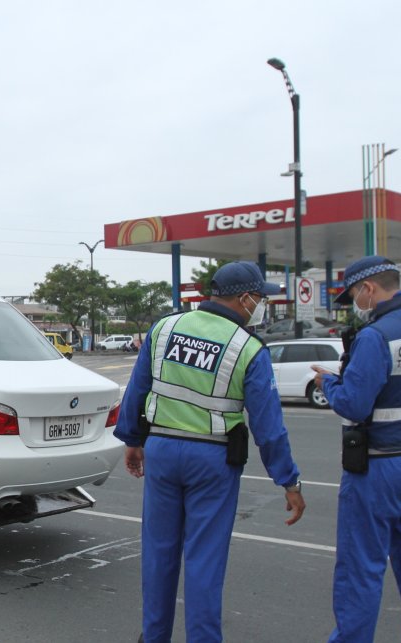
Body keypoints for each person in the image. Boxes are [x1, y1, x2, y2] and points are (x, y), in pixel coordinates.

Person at [115, 260, 305, 643]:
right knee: (204, 561)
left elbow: (137, 390)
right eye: (259, 298)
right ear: (244, 298)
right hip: (212, 460)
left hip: (163, 452)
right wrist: (288, 480)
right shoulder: (247, 348)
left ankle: (154, 638)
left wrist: (133, 440)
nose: (261, 305)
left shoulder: (164, 328)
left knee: (158, 555)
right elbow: (268, 428)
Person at [310, 256, 401, 642]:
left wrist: (328, 385)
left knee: (361, 570)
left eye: (354, 294)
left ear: (368, 288)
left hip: (378, 468)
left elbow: (353, 404)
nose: (355, 302)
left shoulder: (376, 336)